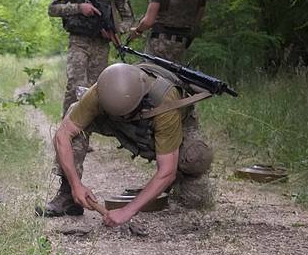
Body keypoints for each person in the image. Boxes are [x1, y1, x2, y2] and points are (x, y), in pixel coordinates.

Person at [41, 62, 215, 222]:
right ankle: (67, 196)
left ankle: (180, 189)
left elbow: (166, 170)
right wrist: (75, 185)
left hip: (163, 126)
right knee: (74, 115)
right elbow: (63, 135)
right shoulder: (100, 91)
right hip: (123, 124)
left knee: (197, 157)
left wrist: (128, 211)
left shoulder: (165, 103)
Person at [47, 0, 135, 116]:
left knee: (95, 94)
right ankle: (68, 137)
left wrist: (116, 31)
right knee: (76, 87)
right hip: (79, 42)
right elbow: (53, 8)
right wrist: (80, 8)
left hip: (101, 46)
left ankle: (82, 138)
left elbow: (129, 18)